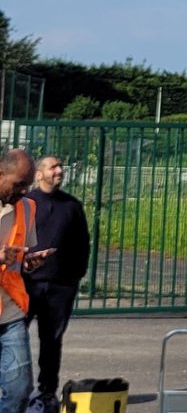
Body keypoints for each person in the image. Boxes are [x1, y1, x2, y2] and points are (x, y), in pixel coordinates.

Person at [25, 158, 89, 413]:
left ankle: (47, 393)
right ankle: (14, 389)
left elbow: (82, 244)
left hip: (61, 286)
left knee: (52, 342)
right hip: (27, 286)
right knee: (13, 339)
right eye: (53, 167)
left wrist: (74, 277)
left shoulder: (71, 205)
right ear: (39, 174)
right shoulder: (26, 203)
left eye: (60, 166)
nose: (59, 171)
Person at [0, 149, 52, 413]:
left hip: (9, 315)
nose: (24, 191)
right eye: (19, 184)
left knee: (20, 390)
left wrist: (30, 262)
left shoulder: (28, 207)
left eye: (27, 185)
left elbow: (21, 256)